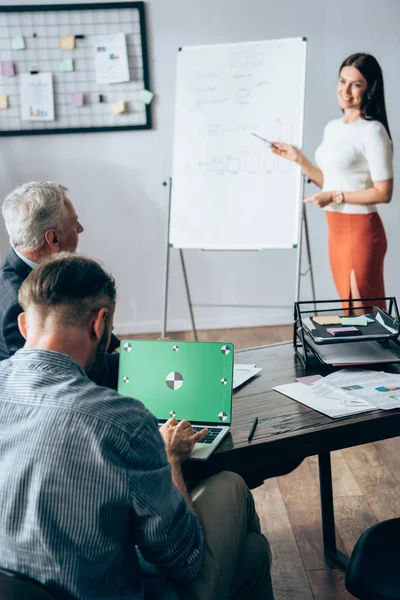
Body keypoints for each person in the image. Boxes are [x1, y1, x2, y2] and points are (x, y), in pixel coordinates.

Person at [0, 252, 274, 600]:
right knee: (233, 491)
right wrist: (169, 456)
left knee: (252, 555)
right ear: (100, 324)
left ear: (25, 325)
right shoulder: (122, 421)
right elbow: (184, 559)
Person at [271, 53, 393, 313]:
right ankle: (362, 354)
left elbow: (384, 192)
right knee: (349, 309)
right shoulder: (332, 128)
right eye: (342, 81)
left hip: (360, 230)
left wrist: (335, 196)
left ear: (370, 89)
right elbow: (331, 182)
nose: (345, 90)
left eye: (355, 84)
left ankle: (375, 354)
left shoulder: (373, 131)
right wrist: (299, 159)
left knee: (364, 311)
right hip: (335, 229)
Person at [0, 181, 120, 387]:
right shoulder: (17, 299)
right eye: (75, 223)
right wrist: (138, 363)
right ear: (53, 238)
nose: (81, 229)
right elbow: (50, 373)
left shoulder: (44, 273)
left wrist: (137, 351)